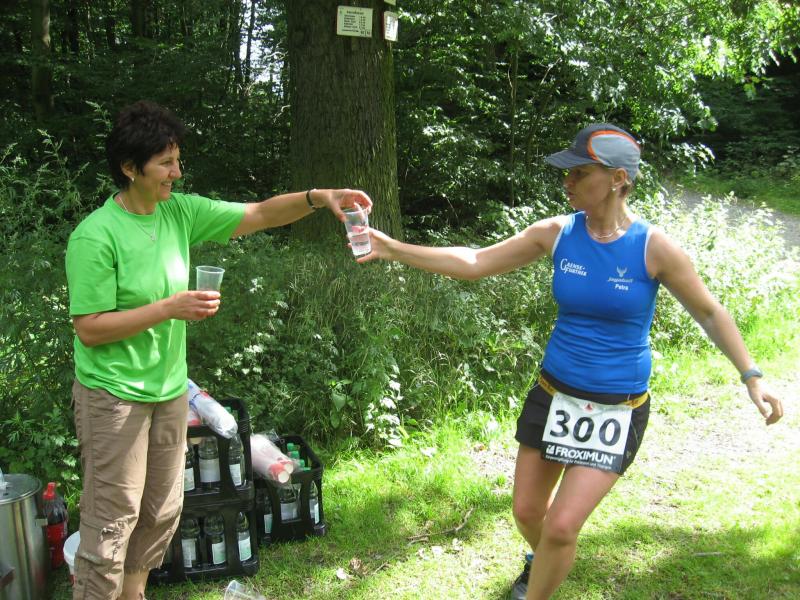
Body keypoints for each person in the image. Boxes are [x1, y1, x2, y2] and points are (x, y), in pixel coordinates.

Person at [356, 123, 783, 600]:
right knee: (527, 513)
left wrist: (752, 376)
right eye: (568, 172)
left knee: (561, 527)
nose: (568, 182)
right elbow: (475, 262)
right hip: (553, 395)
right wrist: (391, 248)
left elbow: (708, 312)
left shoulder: (653, 247)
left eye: (580, 173)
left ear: (618, 179)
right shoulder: (556, 233)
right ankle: (544, 563)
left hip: (615, 409)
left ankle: (540, 583)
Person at [65, 100, 371, 600]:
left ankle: (133, 592)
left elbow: (259, 213)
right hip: (113, 396)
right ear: (129, 168)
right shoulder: (96, 236)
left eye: (177, 160)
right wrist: (170, 308)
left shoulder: (178, 212)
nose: (176, 172)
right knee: (112, 519)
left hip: (168, 391)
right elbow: (90, 329)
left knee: (162, 509)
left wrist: (320, 197)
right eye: (165, 163)